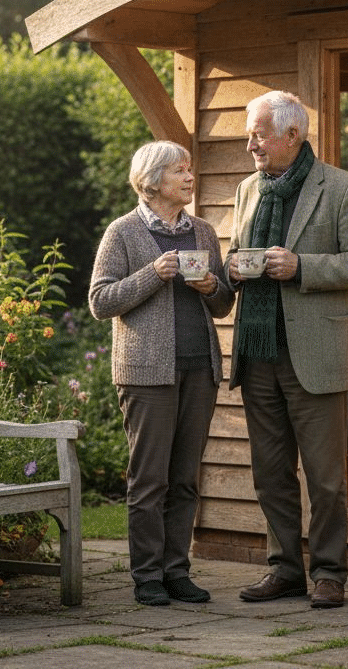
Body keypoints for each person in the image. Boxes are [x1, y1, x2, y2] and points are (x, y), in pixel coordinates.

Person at [227, 91, 348, 609]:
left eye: (259, 135)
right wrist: (231, 268)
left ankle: (330, 574)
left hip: (316, 354)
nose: (250, 145)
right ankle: (285, 570)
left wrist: (302, 267)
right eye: (249, 135)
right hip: (257, 352)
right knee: (270, 474)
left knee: (326, 479)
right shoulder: (247, 190)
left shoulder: (342, 188)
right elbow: (236, 253)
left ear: (292, 135)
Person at [89, 140, 236, 607]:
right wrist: (154, 273)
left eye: (189, 169)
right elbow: (100, 301)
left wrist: (211, 286)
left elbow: (223, 303)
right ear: (152, 182)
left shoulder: (203, 232)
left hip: (200, 369)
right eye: (179, 170)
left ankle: (177, 572)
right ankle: (148, 576)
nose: (190, 177)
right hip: (146, 373)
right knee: (149, 480)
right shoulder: (123, 232)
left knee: (186, 478)